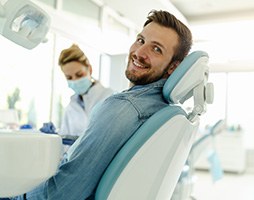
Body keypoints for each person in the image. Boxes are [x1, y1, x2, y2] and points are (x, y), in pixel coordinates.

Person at [9, 9, 192, 200]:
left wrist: (16, 196)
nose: (139, 52)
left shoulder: (124, 107)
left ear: (173, 67)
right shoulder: (158, 108)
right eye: (140, 40)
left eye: (156, 49)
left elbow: (63, 192)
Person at [58, 44, 114, 138]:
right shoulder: (71, 107)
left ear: (90, 70)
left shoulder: (109, 97)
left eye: (79, 75)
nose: (75, 80)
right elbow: (64, 141)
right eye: (69, 77)